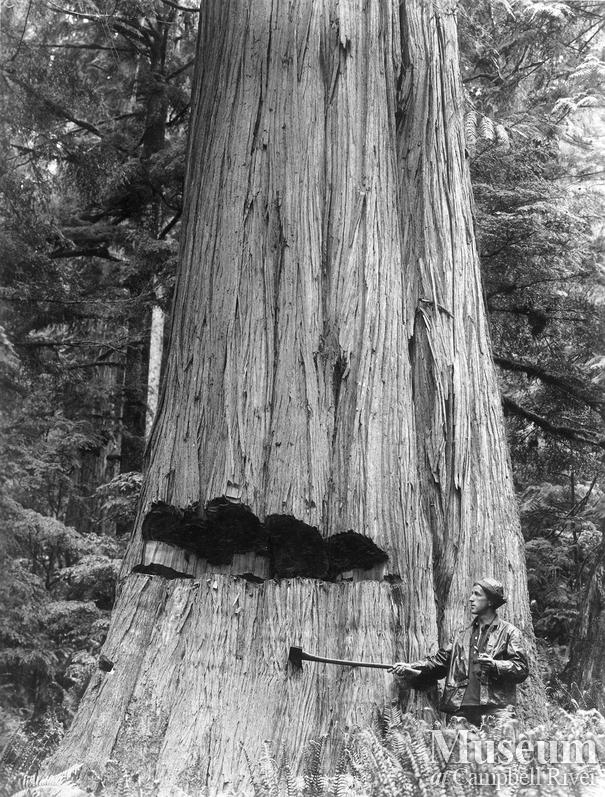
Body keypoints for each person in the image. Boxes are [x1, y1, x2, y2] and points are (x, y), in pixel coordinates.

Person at [390, 577, 529, 727]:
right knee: (459, 750)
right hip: (461, 708)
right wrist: (411, 666)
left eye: (477, 594)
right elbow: (439, 663)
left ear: (490, 601)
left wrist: (495, 665)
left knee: (492, 750)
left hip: (495, 708)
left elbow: (521, 668)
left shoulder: (509, 632)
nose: (471, 599)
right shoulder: (461, 636)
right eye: (471, 594)